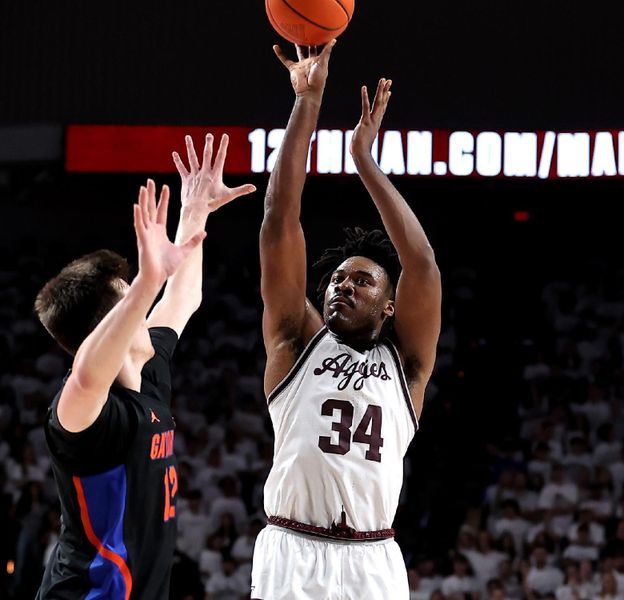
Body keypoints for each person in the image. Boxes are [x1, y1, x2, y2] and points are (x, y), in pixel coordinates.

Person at [251, 40, 441, 599]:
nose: (343, 285)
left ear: (390, 305)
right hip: (292, 547)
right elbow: (277, 218)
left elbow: (422, 263)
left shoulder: (406, 365)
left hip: (373, 556)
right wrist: (307, 102)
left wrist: (364, 161)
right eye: (337, 279)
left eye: (362, 280)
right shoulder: (294, 340)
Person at [34, 134, 254, 600]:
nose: (147, 304)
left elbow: (184, 298)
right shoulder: (81, 410)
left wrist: (196, 212)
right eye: (131, 295)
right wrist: (147, 280)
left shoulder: (148, 372)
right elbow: (88, 373)